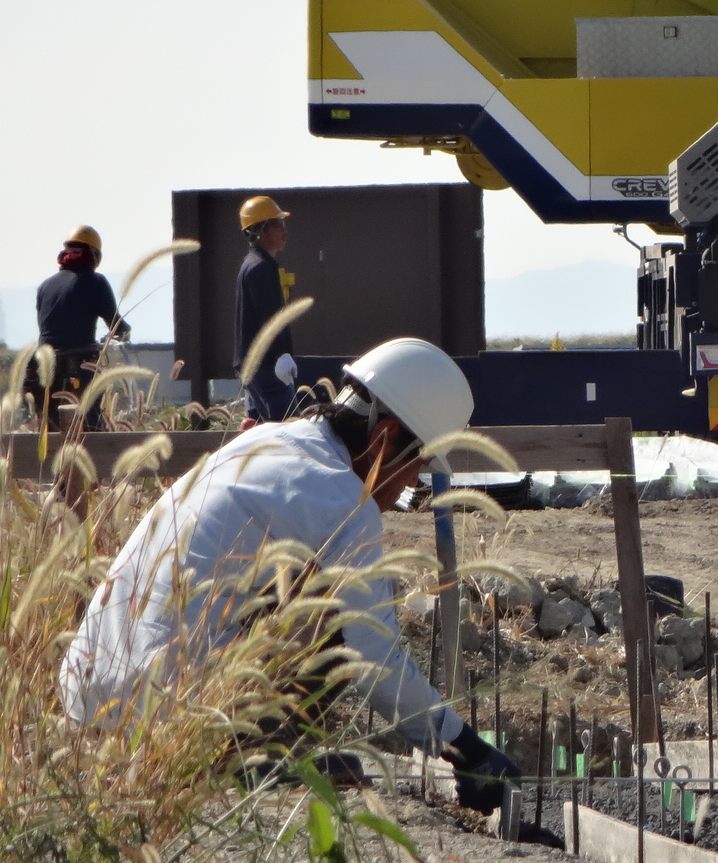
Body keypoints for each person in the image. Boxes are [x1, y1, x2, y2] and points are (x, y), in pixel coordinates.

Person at [59, 337, 518, 810]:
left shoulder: (264, 442)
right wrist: (465, 749)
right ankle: (247, 757)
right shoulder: (341, 500)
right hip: (164, 717)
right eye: (416, 466)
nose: (412, 483)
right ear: (385, 438)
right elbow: (374, 657)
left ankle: (246, 750)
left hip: (87, 699)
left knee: (300, 589)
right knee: (332, 616)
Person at [32, 225, 128, 431]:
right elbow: (114, 321)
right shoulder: (96, 281)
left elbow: (44, 324)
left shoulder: (45, 286)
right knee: (90, 413)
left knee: (50, 421)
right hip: (80, 360)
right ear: (94, 255)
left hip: (45, 363)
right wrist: (124, 332)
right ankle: (94, 441)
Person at [235, 195, 300, 422]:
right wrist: (282, 355)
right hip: (267, 366)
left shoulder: (254, 264)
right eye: (278, 223)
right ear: (261, 229)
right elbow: (270, 318)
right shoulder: (260, 268)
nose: (284, 229)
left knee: (261, 431)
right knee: (287, 430)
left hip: (257, 366)